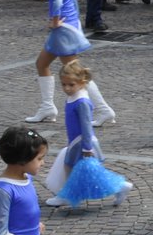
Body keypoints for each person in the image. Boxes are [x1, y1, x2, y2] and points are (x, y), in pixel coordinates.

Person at [44, 61, 130, 209]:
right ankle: (120, 186)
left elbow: (86, 126)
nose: (67, 88)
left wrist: (86, 147)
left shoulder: (82, 101)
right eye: (64, 85)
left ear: (82, 82)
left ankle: (65, 195)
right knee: (86, 172)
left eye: (71, 85)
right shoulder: (75, 97)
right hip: (77, 141)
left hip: (81, 142)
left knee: (75, 169)